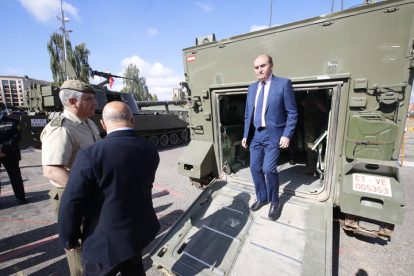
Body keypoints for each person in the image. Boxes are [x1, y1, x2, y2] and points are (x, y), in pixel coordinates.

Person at [58, 101, 160, 276]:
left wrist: (69, 238)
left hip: (104, 242)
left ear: (103, 124)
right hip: (136, 233)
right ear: (132, 121)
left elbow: (72, 201)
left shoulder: (91, 155)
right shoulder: (149, 149)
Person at [41, 80, 101, 276]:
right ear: (73, 101)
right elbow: (52, 170)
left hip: (88, 192)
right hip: (71, 194)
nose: (95, 102)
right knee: (78, 250)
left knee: (91, 242)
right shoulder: (61, 128)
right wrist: (85, 191)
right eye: (90, 99)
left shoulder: (88, 122)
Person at [242, 55, 297, 221]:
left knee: (268, 169)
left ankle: (274, 201)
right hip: (255, 134)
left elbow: (292, 112)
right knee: (254, 168)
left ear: (271, 65)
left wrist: (287, 134)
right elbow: (247, 115)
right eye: (256, 67)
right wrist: (246, 135)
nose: (259, 69)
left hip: (273, 134)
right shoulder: (252, 88)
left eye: (263, 65)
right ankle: (262, 197)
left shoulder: (283, 84)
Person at [0, 102, 26, 204]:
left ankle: (20, 197)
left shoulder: (13, 122)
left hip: (10, 153)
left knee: (15, 177)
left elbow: (16, 138)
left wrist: (2, 149)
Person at [297, 90, 328, 176]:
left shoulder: (316, 90)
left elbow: (319, 103)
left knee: (310, 145)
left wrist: (328, 113)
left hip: (313, 123)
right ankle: (312, 168)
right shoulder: (317, 91)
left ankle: (311, 169)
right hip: (313, 122)